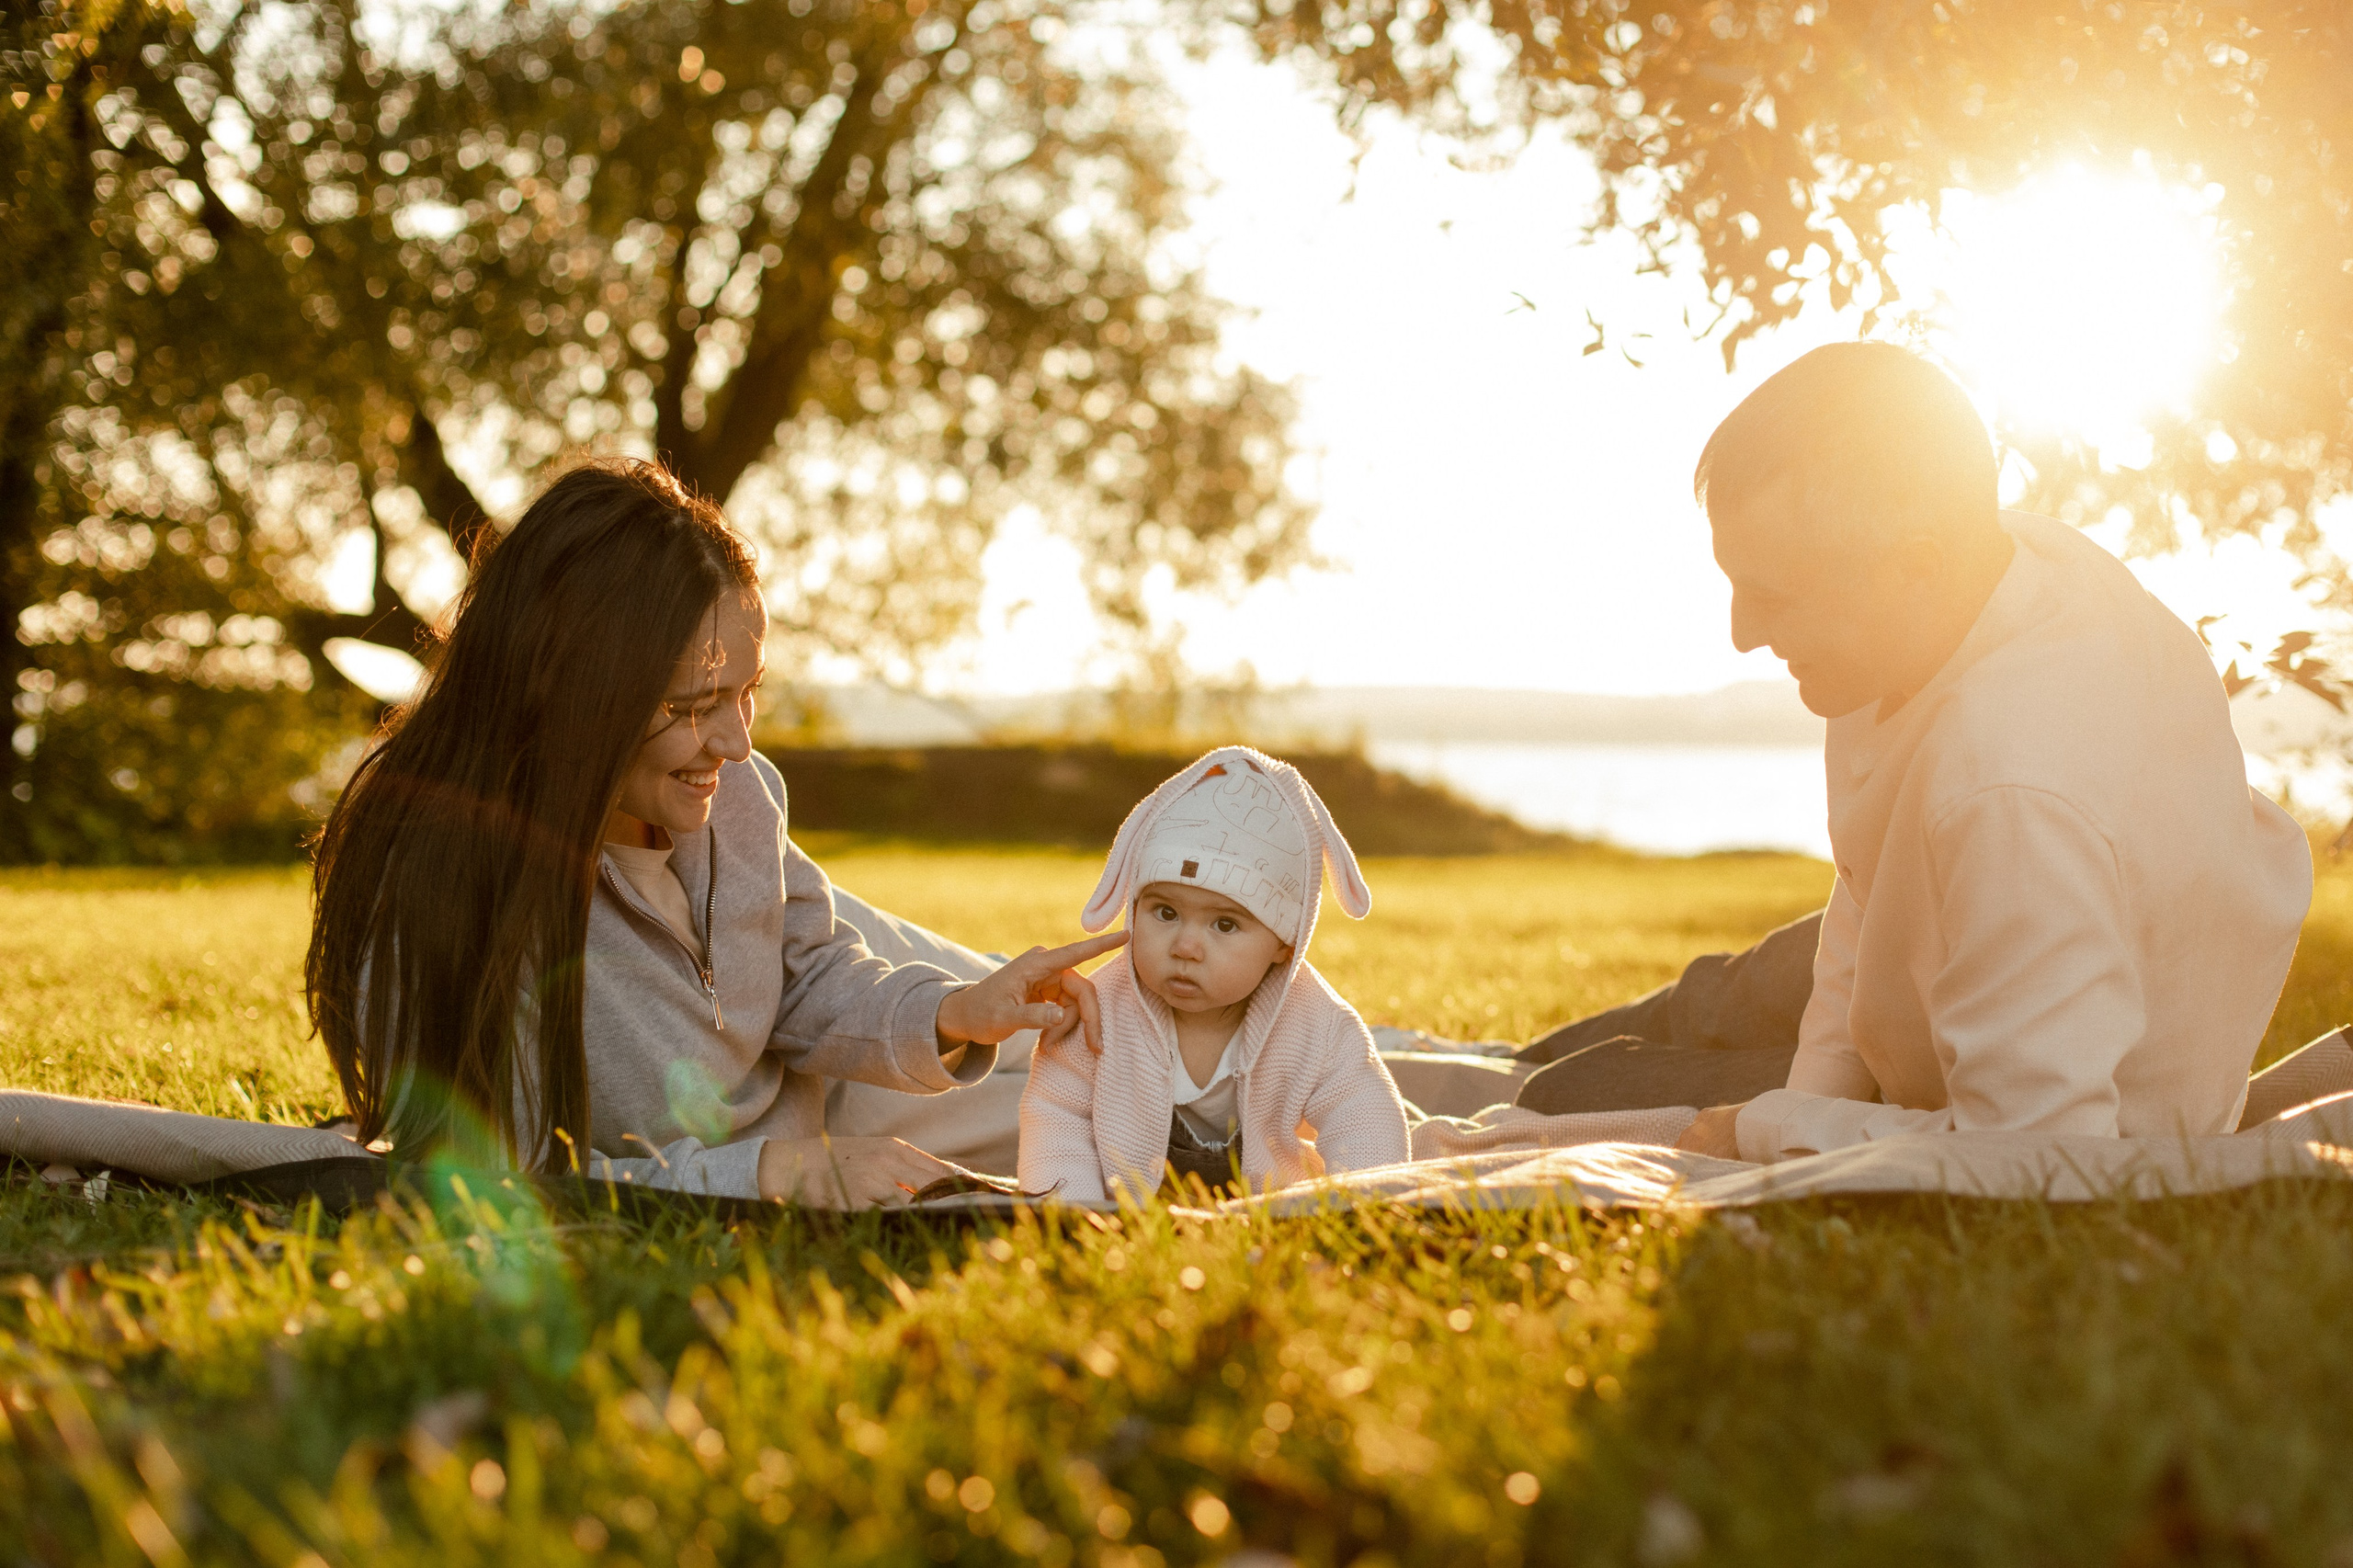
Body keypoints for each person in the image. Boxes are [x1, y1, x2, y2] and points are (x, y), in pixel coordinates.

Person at [1514, 342, 2313, 1162]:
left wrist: (1766, 1126)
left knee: (1565, 1094)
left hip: (2063, 1054)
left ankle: (1518, 1074)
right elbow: (1867, 894)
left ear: (1912, 571)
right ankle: (1517, 1056)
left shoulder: (2014, 792)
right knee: (1729, 992)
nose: (1742, 633)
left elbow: (2035, 1146)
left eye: (1773, 596)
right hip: (1970, 928)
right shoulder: (1973, 585)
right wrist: (1813, 1089)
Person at [305, 460, 1120, 1207]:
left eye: (747, 691)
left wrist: (955, 1014)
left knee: (1127, 1042)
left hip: (829, 1079)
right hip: (785, 1143)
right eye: (691, 706)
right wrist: (767, 1173)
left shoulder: (735, 794)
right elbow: (493, 1177)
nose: (737, 745)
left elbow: (806, 971)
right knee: (1108, 1109)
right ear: (562, 687)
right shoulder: (437, 878)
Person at [1017, 747, 1411, 1199]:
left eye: (1225, 924)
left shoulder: (1318, 1026)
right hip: (1131, 1196)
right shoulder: (1097, 1011)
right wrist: (1074, 1208)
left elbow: (1364, 1117)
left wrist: (1365, 1207)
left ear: (1285, 943)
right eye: (1164, 912)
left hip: (1265, 1202)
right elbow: (1057, 1110)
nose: (1185, 947)